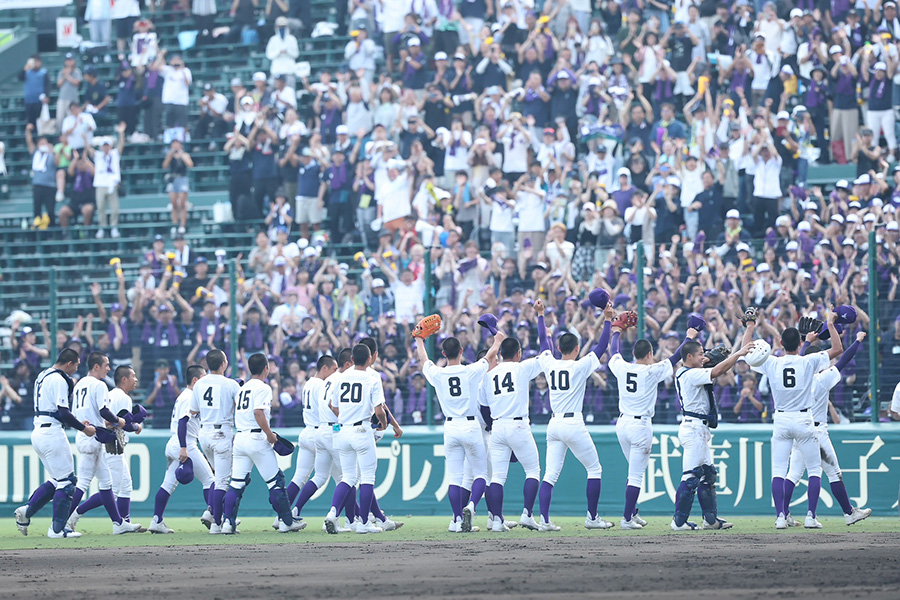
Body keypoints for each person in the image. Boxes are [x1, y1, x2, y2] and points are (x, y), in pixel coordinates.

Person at [743, 309, 846, 529]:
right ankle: (811, 516)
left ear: (780, 343)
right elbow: (838, 349)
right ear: (800, 344)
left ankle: (781, 516)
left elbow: (746, 353)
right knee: (815, 469)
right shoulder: (808, 362)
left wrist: (750, 328)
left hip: (781, 420)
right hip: (803, 420)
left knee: (779, 471)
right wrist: (829, 324)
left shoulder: (771, 363)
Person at [534, 299, 615, 531]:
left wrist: (540, 314)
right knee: (595, 469)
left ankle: (544, 521)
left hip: (554, 423)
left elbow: (542, 342)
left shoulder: (549, 363)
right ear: (577, 349)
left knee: (550, 474)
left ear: (558, 349)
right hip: (573, 422)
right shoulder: (580, 366)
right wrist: (608, 319)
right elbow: (600, 347)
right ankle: (592, 518)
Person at [782, 330, 872, 527]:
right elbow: (844, 359)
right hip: (816, 432)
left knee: (793, 474)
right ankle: (846, 513)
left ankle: (783, 514)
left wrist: (805, 342)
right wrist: (857, 341)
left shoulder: (796, 377)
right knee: (832, 473)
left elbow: (799, 358)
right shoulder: (822, 379)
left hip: (798, 429)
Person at [417, 329, 503, 532]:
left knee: (455, 478)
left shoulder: (438, 373)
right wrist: (497, 340)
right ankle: (471, 507)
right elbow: (490, 356)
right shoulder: (470, 371)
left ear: (444, 354)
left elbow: (424, 360)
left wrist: (419, 339)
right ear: (462, 351)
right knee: (480, 474)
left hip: (450, 427)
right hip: (471, 425)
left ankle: (456, 520)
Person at [15, 349, 95, 538]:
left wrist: (76, 422)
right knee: (67, 482)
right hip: (52, 432)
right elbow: (63, 412)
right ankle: (57, 530)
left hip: (39, 430)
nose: (76, 369)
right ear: (69, 363)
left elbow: (57, 411)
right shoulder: (59, 379)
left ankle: (27, 511)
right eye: (76, 365)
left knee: (57, 480)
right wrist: (84, 429)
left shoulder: (42, 375)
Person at [222, 353, 305, 533]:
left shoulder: (242, 388)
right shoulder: (264, 387)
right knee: (276, 482)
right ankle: (287, 522)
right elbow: (258, 413)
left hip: (241, 437)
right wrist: (269, 434)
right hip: (257, 438)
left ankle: (228, 523)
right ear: (266, 368)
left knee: (236, 483)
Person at [68, 352, 138, 535]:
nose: (108, 368)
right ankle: (63, 521)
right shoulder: (98, 385)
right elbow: (103, 411)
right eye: (106, 364)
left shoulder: (80, 383)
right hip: (93, 435)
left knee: (106, 482)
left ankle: (118, 523)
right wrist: (119, 421)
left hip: (83, 433)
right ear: (96, 366)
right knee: (84, 483)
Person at [323, 344, 390, 534]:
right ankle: (363, 523)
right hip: (362, 429)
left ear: (351, 359)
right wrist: (383, 424)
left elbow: (331, 405)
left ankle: (332, 514)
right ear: (369, 359)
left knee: (348, 478)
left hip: (343, 431)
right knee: (367, 478)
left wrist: (345, 415)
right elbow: (379, 410)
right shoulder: (372, 378)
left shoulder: (341, 377)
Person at [483, 336, 544, 532]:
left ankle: (497, 521)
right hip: (518, 425)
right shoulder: (522, 367)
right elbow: (546, 354)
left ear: (500, 354)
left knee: (497, 478)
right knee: (533, 470)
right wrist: (544, 329)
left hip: (497, 427)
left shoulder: (488, 374)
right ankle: (527, 514)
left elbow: (484, 407)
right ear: (518, 353)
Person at [148, 364, 216, 534]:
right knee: (210, 480)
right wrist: (184, 448)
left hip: (175, 443)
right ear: (195, 380)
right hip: (184, 442)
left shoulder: (187, 395)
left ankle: (156, 520)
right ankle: (215, 517)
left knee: (168, 484)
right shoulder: (189, 396)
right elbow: (183, 422)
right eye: (202, 377)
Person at [190, 349, 242, 534]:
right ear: (223, 364)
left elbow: (194, 410)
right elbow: (241, 408)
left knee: (216, 478)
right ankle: (216, 523)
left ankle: (212, 514)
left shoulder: (199, 383)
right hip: (222, 432)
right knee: (222, 481)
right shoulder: (231, 384)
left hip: (204, 433)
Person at [289, 354, 345, 525]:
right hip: (321, 431)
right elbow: (330, 407)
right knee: (344, 478)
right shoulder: (322, 384)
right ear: (324, 368)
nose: (335, 372)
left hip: (307, 432)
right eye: (334, 369)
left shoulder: (308, 383)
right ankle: (353, 517)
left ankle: (284, 514)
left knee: (302, 477)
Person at [93, 123, 127, 239]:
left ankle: (114, 227)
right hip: (101, 184)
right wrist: (84, 137)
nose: (106, 148)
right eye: (104, 146)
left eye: (107, 145)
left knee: (114, 208)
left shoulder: (114, 154)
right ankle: (102, 227)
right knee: (100, 207)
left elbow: (121, 144)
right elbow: (88, 149)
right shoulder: (98, 156)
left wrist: (121, 133)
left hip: (112, 184)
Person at [24, 123, 58, 229]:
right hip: (38, 185)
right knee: (37, 209)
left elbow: (57, 163)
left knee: (50, 209)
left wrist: (53, 151)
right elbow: (29, 142)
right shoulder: (36, 153)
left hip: (50, 185)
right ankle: (37, 230)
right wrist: (28, 131)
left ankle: (52, 229)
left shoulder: (51, 155)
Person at [163, 139, 194, 236]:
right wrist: (170, 155)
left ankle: (182, 225)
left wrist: (182, 156)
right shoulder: (170, 155)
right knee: (174, 204)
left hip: (182, 178)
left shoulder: (185, 155)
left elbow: (190, 165)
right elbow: (164, 166)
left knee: (182, 203)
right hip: (173, 179)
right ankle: (175, 224)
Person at [20, 54, 48, 131]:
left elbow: (47, 85)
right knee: (30, 122)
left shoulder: (43, 73)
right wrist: (25, 68)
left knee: (40, 122)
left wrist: (47, 96)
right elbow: (20, 77)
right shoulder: (27, 72)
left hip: (39, 101)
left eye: (37, 61)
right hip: (29, 101)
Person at [56, 53, 82, 130]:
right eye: (67, 60)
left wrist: (67, 75)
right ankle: (61, 135)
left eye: (70, 60)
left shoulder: (77, 72)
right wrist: (65, 75)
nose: (69, 62)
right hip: (62, 98)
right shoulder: (61, 72)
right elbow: (59, 84)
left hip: (73, 99)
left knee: (72, 118)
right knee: (60, 118)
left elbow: (76, 83)